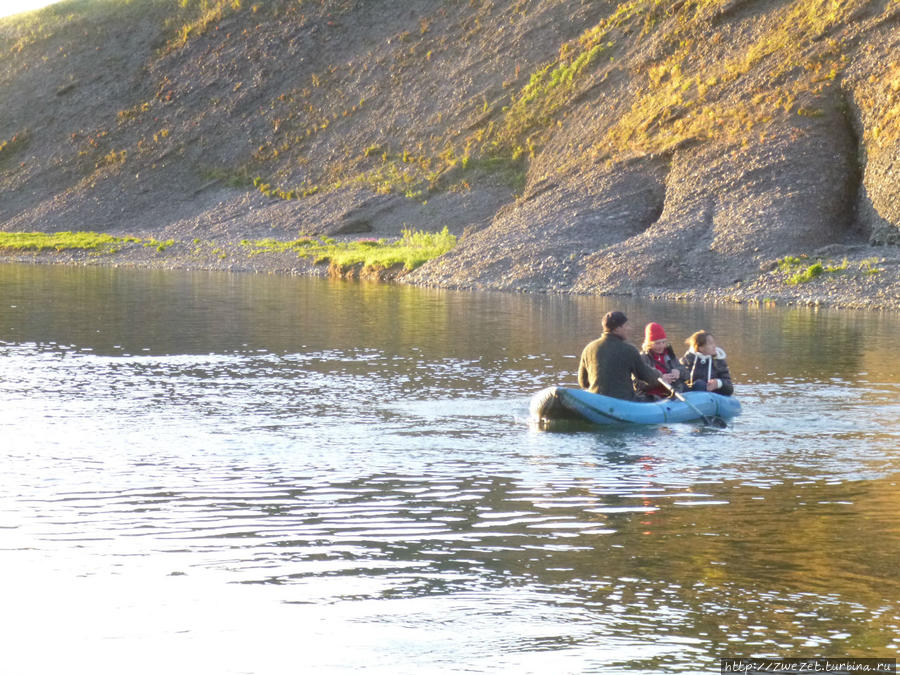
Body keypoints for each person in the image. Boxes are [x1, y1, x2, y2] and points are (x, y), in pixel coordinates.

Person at [578, 311, 668, 401]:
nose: (629, 328)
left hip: (596, 400)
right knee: (656, 399)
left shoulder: (588, 348)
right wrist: (660, 375)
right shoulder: (629, 350)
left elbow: (583, 383)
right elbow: (647, 376)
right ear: (617, 329)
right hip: (624, 401)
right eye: (626, 326)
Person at [634, 322, 683, 399]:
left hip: (671, 393)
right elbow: (637, 384)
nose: (661, 346)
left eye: (663, 342)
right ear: (649, 344)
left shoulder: (670, 355)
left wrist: (678, 371)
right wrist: (660, 380)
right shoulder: (642, 358)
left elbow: (686, 374)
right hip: (650, 396)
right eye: (657, 343)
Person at [681, 330, 734, 396]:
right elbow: (681, 379)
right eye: (710, 344)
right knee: (697, 384)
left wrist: (718, 383)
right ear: (701, 348)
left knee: (700, 384)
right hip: (691, 394)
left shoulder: (718, 362)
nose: (714, 346)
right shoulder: (688, 359)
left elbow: (730, 388)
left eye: (714, 343)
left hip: (713, 396)